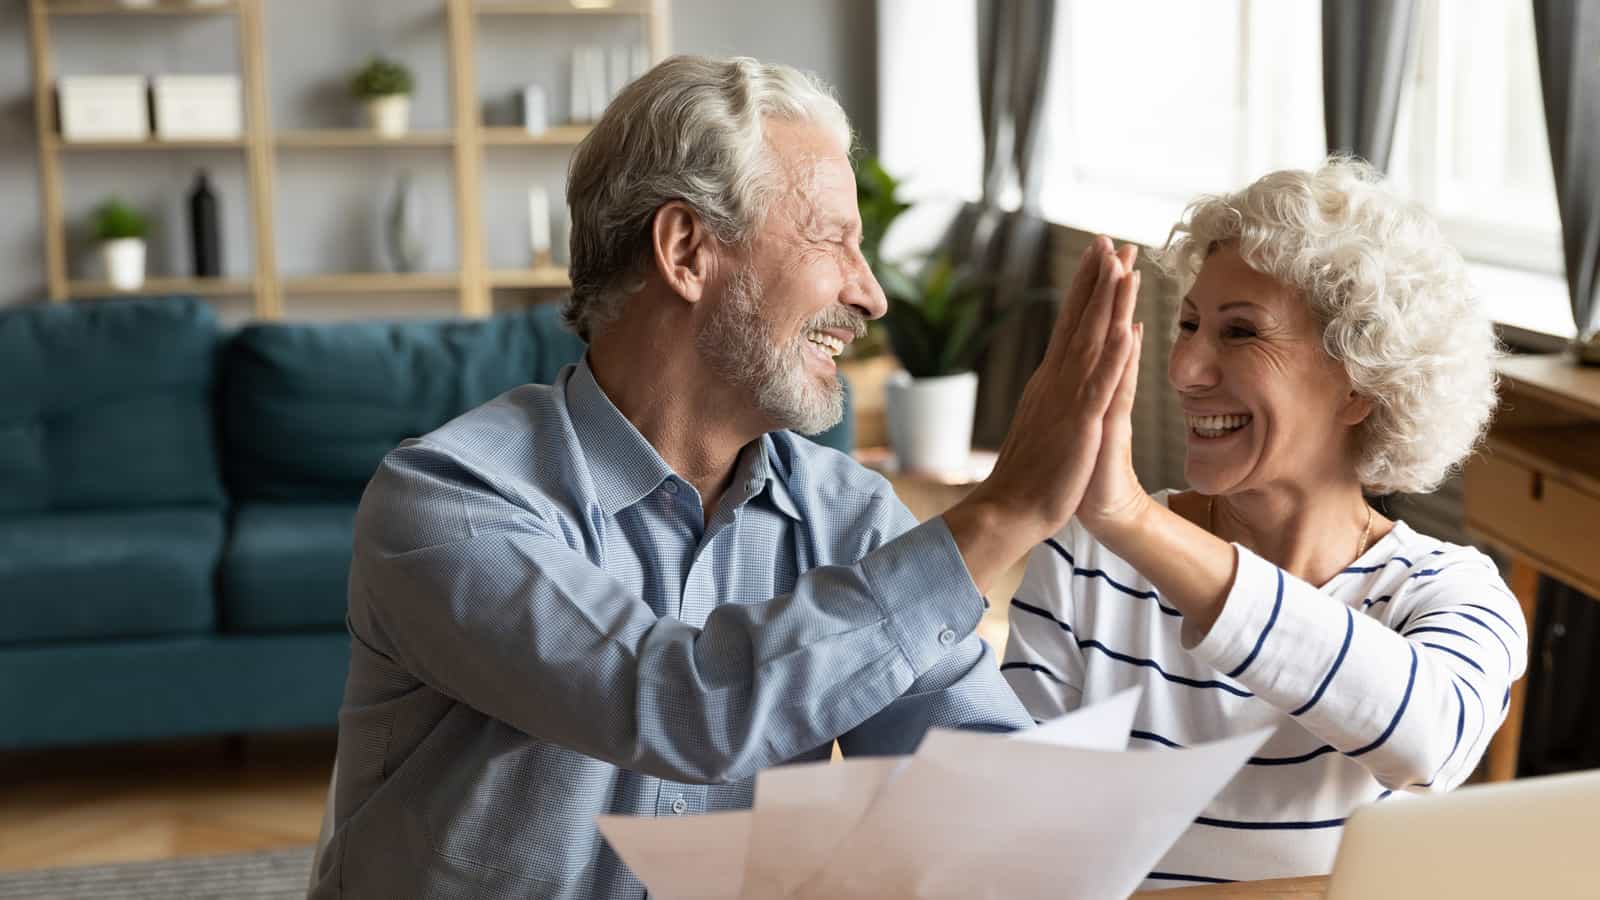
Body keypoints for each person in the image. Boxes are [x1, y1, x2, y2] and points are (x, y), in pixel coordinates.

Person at [308, 55, 1143, 899]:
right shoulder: (450, 501)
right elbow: (678, 704)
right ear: (686, 250)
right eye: (833, 240)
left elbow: (970, 775)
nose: (870, 294)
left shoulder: (848, 518)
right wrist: (1002, 512)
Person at [1003, 159, 1529, 890]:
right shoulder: (1087, 558)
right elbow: (1011, 828)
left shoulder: (1449, 592)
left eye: (1241, 333)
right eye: (1188, 324)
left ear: (1359, 382)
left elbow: (1428, 739)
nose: (1185, 367)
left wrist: (1132, 520)